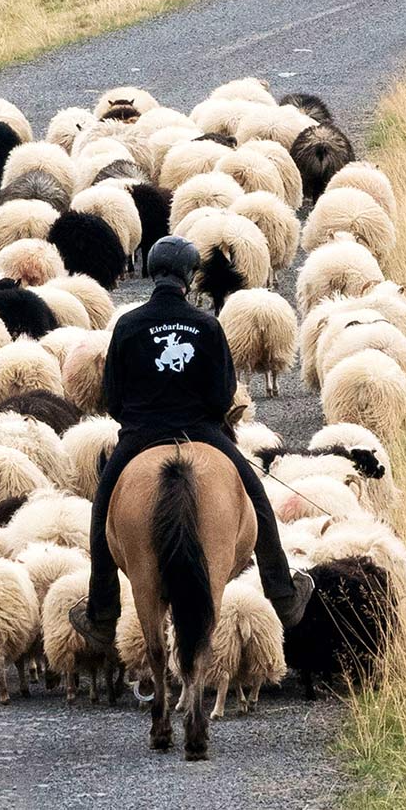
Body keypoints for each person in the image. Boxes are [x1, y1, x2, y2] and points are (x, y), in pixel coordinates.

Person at [77, 237, 310, 651]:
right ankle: (284, 594)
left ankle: (102, 612)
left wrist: (138, 420)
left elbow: (111, 395)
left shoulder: (128, 325)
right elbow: (224, 396)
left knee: (102, 510)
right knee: (255, 498)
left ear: (151, 271)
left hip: (141, 435)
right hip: (200, 432)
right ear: (189, 276)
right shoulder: (206, 325)